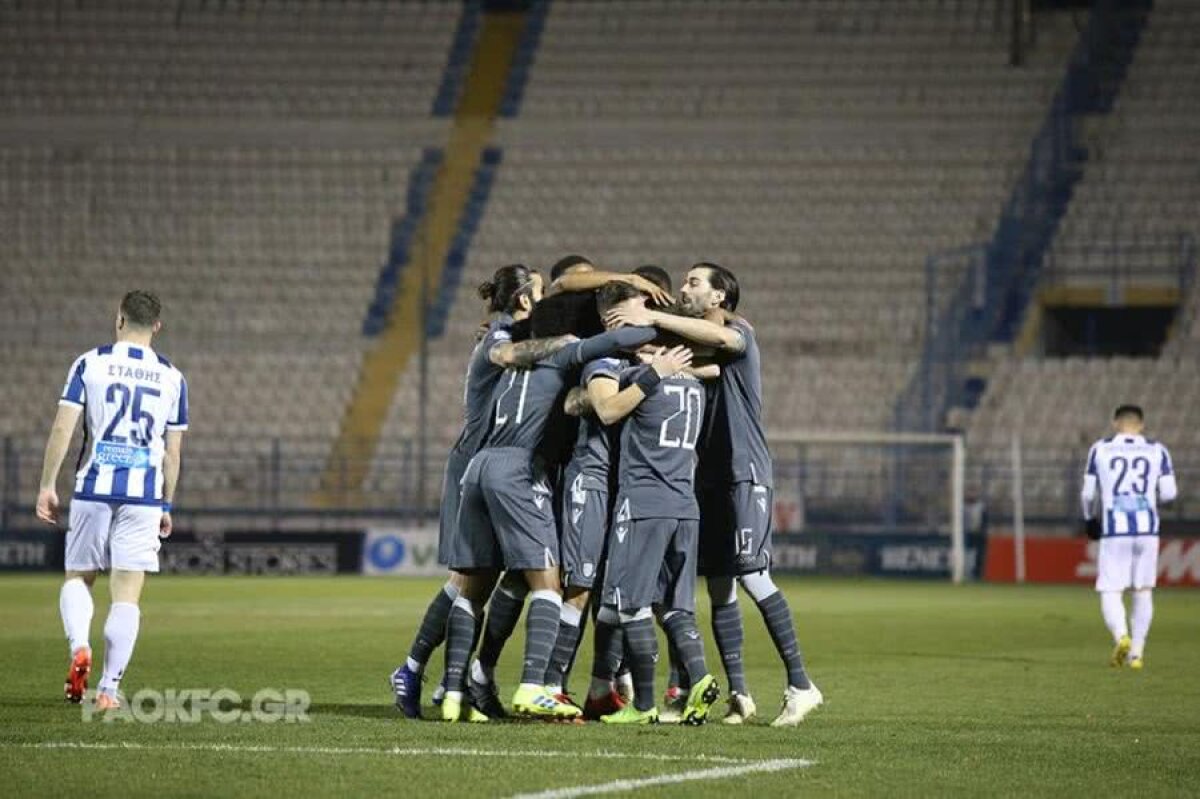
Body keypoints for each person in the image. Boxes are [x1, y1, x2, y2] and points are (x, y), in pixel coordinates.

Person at [604, 262, 822, 726]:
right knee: (720, 588)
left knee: (753, 575)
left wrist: (652, 318)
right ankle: (740, 695)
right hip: (707, 480)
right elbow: (688, 367)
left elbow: (723, 342)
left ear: (720, 297)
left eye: (694, 282)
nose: (685, 288)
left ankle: (801, 684)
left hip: (745, 472)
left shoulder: (739, 334)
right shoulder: (701, 353)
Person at [441, 300, 657, 721]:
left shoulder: (510, 359)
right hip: (520, 469)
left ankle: (454, 692)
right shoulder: (566, 352)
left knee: (474, 588)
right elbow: (621, 338)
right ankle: (534, 685)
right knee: (548, 583)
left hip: (478, 466)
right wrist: (649, 328)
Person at [390, 265, 573, 718]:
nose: (547, 298)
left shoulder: (506, 331)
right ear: (524, 299)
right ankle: (416, 668)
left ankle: (454, 684)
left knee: (481, 581)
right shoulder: (499, 334)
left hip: (493, 463)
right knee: (467, 581)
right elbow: (504, 356)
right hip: (478, 461)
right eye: (540, 291)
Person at [35, 290, 188, 710]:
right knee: (127, 595)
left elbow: (64, 429)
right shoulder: (173, 377)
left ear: (119, 319)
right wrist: (166, 504)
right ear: (156, 326)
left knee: (79, 577)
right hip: (142, 497)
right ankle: (108, 689)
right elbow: (172, 452)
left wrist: (48, 484)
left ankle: (80, 647)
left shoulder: (90, 363)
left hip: (94, 487)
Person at [584, 282, 721, 725]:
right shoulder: (694, 385)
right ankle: (699, 678)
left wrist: (647, 372)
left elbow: (604, 410)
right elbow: (710, 371)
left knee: (630, 605)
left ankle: (642, 706)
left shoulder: (639, 379)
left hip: (644, 501)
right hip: (685, 504)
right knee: (674, 606)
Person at [1081, 404, 1177, 670]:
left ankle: (1121, 636)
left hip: (1115, 530)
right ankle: (1137, 654)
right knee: (1143, 590)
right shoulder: (1158, 450)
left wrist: (1090, 519)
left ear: (1115, 423)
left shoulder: (1100, 448)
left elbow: (1088, 494)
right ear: (1141, 425)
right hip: (1147, 529)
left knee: (1111, 588)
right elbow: (1169, 494)